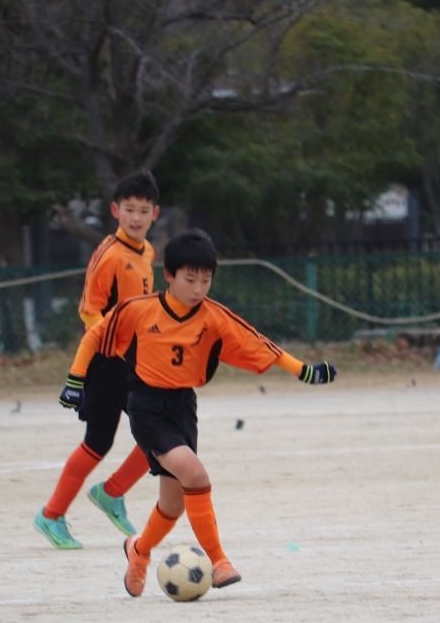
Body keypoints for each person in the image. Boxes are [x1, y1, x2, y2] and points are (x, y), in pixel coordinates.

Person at [59, 229, 337, 595]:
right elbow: (95, 336)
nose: (198, 289)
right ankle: (219, 562)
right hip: (146, 406)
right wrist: (75, 380)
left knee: (172, 504)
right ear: (169, 276)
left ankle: (139, 550)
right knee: (195, 473)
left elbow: (257, 343)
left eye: (206, 280)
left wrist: (304, 371)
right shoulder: (138, 310)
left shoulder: (213, 316)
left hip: (183, 407)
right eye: (190, 280)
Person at [33, 171, 161, 549]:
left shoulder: (148, 251)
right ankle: (51, 515)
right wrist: (116, 344)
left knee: (162, 429)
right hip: (107, 362)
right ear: (115, 210)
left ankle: (112, 492)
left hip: (137, 360)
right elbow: (89, 312)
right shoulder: (109, 254)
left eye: (144, 210)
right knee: (99, 441)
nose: (136, 217)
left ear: (155, 214)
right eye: (129, 209)